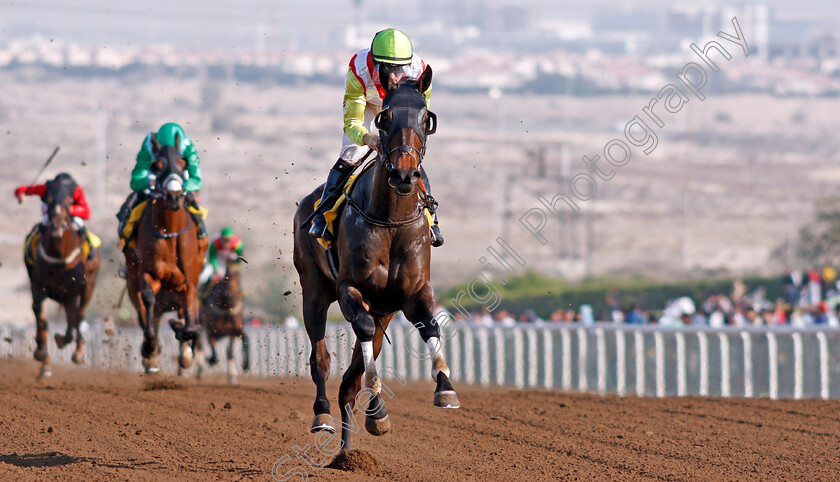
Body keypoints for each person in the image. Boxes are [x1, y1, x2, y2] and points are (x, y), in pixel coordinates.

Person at [308, 28, 444, 247]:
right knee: (353, 153)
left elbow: (420, 113)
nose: (393, 75)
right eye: (387, 67)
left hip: (401, 104)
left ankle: (432, 219)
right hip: (368, 103)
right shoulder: (358, 70)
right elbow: (352, 123)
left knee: (407, 157)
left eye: (399, 68)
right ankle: (322, 215)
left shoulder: (419, 71)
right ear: (374, 61)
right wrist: (368, 138)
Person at [116, 122, 206, 248]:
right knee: (131, 203)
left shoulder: (187, 146)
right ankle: (125, 236)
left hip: (181, 183)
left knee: (196, 210)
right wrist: (148, 182)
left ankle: (202, 235)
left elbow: (196, 179)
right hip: (155, 182)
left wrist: (184, 186)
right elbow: (136, 179)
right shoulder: (149, 144)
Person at [15, 172, 97, 260]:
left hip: (69, 217)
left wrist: (70, 210)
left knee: (79, 224)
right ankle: (30, 249)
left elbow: (87, 213)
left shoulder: (75, 189)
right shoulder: (48, 188)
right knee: (42, 225)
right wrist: (21, 194)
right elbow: (21, 190)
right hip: (51, 216)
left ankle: (90, 247)